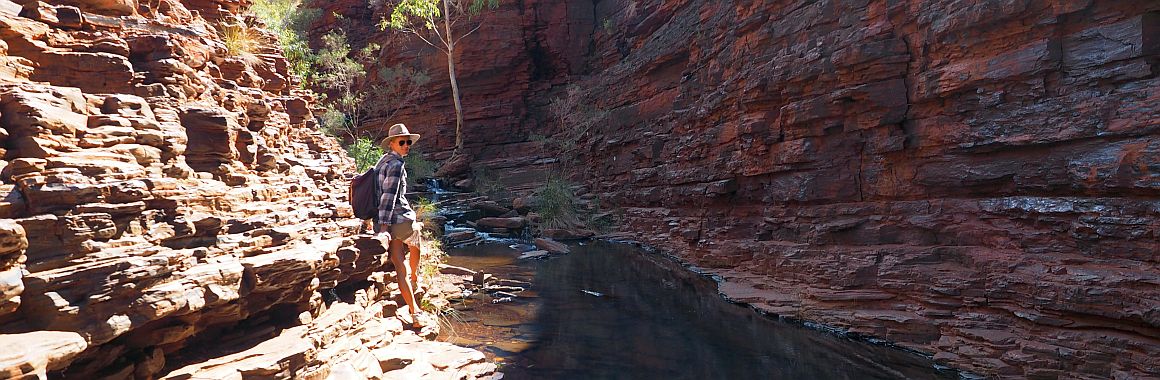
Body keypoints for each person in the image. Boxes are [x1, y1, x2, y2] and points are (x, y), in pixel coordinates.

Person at [373, 123, 425, 328]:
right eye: (402, 142)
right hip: (400, 219)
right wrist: (384, 227)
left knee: (398, 265)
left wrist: (380, 223)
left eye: (408, 142)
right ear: (392, 143)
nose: (406, 145)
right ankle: (415, 277)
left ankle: (415, 312)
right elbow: (389, 196)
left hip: (384, 219)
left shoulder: (382, 161)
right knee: (416, 240)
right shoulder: (396, 165)